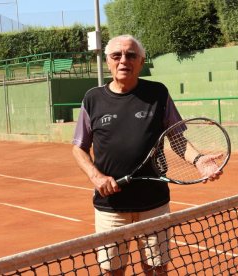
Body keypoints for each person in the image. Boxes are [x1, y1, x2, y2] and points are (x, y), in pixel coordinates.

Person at [72, 34, 222, 275]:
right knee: (111, 271)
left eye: (131, 55)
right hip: (111, 206)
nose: (123, 60)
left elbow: (176, 138)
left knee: (157, 269)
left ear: (141, 62)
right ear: (107, 61)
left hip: (154, 203)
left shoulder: (158, 93)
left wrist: (199, 160)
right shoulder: (93, 99)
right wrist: (96, 176)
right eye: (116, 55)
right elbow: (78, 146)